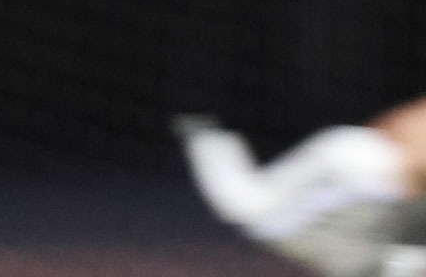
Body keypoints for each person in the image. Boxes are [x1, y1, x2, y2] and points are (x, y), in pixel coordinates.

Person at [179, 100, 426, 277]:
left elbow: (390, 126)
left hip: (352, 146)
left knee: (256, 207)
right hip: (368, 177)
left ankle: (205, 131)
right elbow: (415, 169)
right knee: (257, 213)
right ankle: (201, 127)